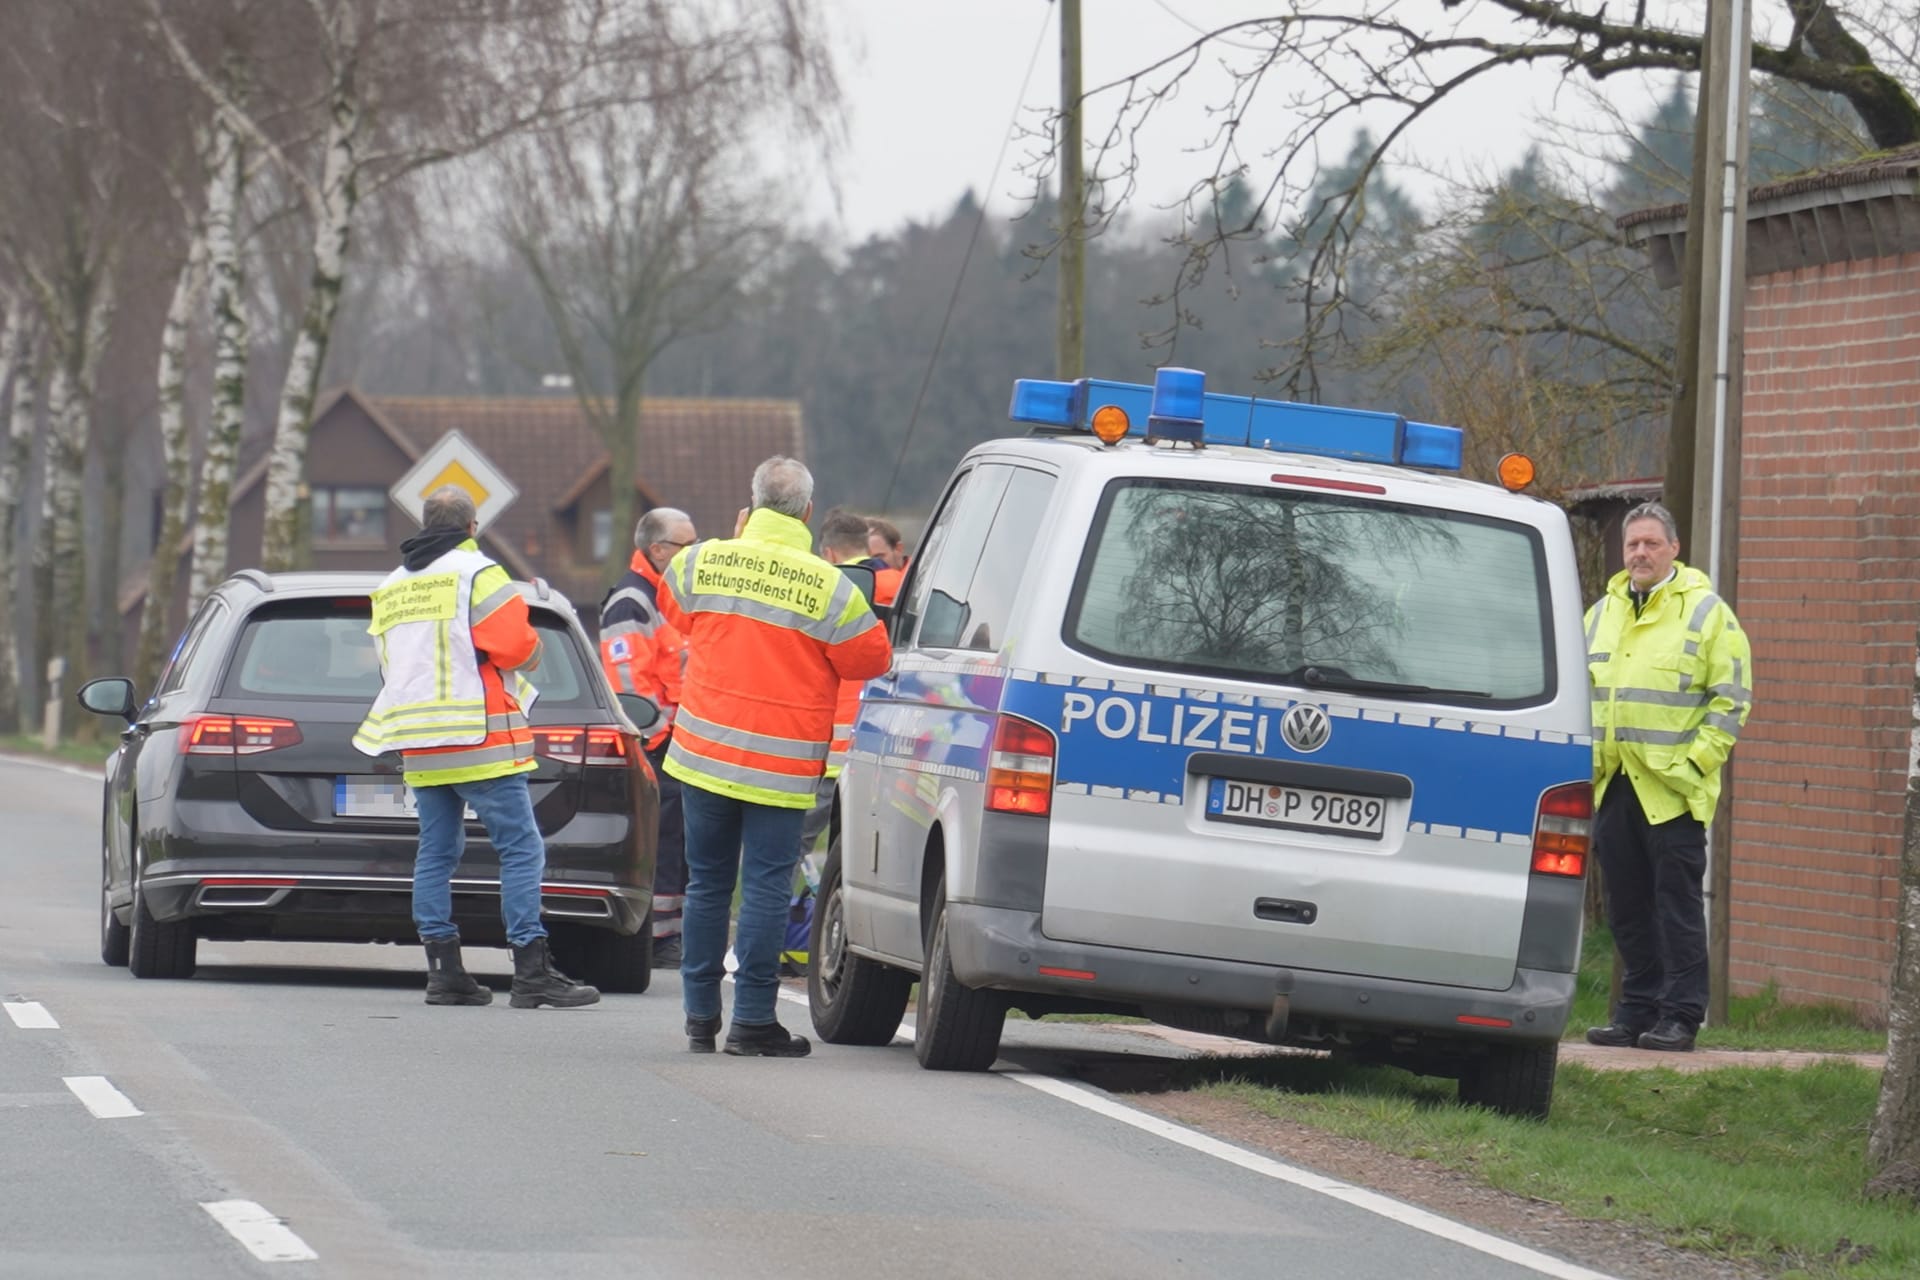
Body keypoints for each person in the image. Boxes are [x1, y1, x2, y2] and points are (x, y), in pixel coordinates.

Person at [656, 457, 892, 1057]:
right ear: (808, 514)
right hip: (779, 767)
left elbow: (674, 611)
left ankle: (698, 1016)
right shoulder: (830, 586)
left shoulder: (701, 560)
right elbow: (870, 661)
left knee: (707, 885)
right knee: (763, 887)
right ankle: (753, 1020)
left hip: (703, 757)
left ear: (751, 505)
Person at [354, 485, 600, 1010]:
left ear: (425, 526)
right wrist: (531, 658)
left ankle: (444, 973)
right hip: (477, 735)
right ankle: (532, 971)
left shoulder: (393, 585)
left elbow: (389, 662)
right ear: (472, 528)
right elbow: (514, 645)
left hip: (418, 738)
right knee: (520, 848)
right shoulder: (477, 573)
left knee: (437, 852)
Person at [1584, 501, 1752, 1053]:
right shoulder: (1600, 613)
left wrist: (1698, 762)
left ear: (1674, 549)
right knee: (1628, 909)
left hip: (1674, 790)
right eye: (1633, 545)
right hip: (1614, 783)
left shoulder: (1706, 613)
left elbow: (1731, 700)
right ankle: (1636, 1011)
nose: (1640, 554)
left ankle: (1680, 1015)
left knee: (1676, 908)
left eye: (1652, 544)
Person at [600, 507, 696, 969]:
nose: (694, 553)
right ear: (658, 550)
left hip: (680, 741)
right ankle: (660, 938)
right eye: (686, 545)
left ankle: (671, 934)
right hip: (659, 745)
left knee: (678, 843)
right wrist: (661, 734)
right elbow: (627, 685)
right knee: (666, 844)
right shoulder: (632, 601)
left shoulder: (666, 596)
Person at [811, 509, 903, 849]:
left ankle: (786, 902)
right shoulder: (904, 585)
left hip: (832, 737)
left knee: (792, 846)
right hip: (888, 738)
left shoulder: (824, 589)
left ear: (829, 553)